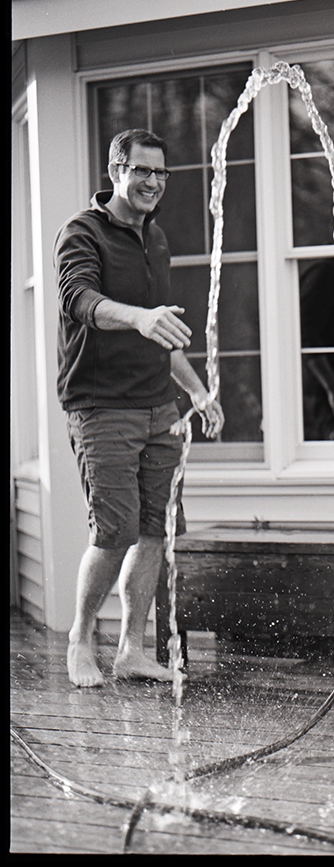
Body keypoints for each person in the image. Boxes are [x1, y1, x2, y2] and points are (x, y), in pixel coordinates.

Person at [55, 128, 225, 688]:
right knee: (115, 531)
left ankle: (132, 649)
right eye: (141, 171)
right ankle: (82, 639)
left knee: (157, 530)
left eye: (161, 173)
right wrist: (138, 316)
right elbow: (80, 302)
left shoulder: (157, 240)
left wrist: (198, 391)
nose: (153, 182)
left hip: (161, 409)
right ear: (116, 172)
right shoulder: (82, 234)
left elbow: (162, 332)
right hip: (102, 407)